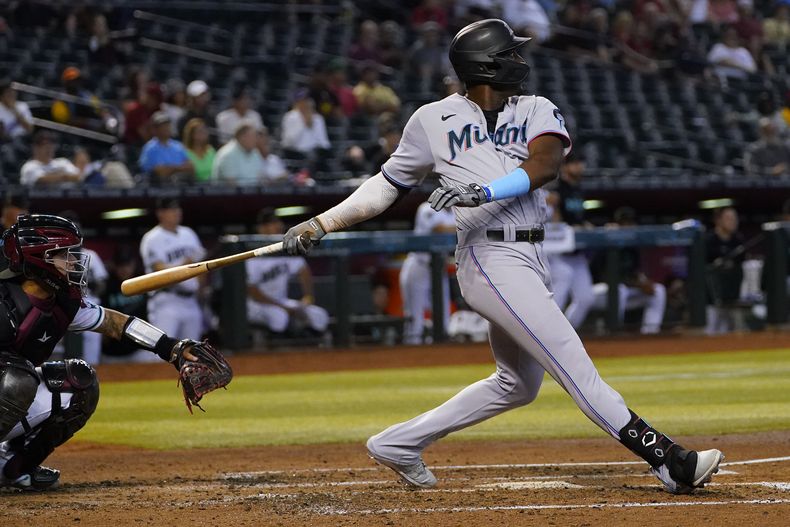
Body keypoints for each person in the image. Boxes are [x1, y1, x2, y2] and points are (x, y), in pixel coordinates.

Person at [282, 19, 723, 494]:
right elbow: (386, 187)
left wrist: (484, 190)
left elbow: (545, 165)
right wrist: (322, 222)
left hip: (531, 252)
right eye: (510, 54)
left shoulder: (536, 107)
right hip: (488, 256)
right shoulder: (431, 119)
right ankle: (669, 460)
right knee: (574, 366)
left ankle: (398, 443)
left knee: (517, 384)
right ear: (486, 65)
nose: (519, 60)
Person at [0, 213, 206, 490]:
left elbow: (115, 323)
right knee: (16, 379)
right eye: (65, 255)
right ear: (39, 259)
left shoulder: (62, 302)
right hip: (9, 384)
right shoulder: (4, 301)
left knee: (79, 382)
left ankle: (12, 468)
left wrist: (172, 348)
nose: (74, 262)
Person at [246, 209, 329, 337]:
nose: (277, 226)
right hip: (254, 304)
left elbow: (303, 270)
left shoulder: (284, 248)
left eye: (277, 222)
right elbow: (252, 291)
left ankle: (310, 349)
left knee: (319, 315)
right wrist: (283, 308)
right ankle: (271, 349)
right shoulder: (252, 252)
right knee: (279, 317)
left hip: (280, 301)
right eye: (271, 223)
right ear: (261, 229)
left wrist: (308, 297)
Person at [139, 198, 206, 355]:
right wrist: (187, 262)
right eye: (171, 209)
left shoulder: (188, 233)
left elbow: (202, 267)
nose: (177, 212)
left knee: (193, 353)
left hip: (191, 301)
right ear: (160, 213)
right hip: (167, 301)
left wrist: (201, 289)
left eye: (178, 208)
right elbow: (160, 270)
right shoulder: (152, 238)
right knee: (164, 352)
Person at [590, 207, 667, 334]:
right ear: (617, 224)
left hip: (623, 292)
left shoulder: (632, 247)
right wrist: (637, 284)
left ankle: (650, 333)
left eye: (630, 223)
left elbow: (634, 273)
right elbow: (605, 277)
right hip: (597, 292)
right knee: (619, 290)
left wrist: (644, 282)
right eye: (624, 223)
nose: (627, 226)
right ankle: (613, 332)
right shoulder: (605, 242)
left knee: (658, 290)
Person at [546, 152, 596, 330]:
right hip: (558, 251)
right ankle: (550, 331)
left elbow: (579, 218)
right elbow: (553, 222)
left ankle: (566, 334)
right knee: (560, 284)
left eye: (580, 163)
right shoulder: (556, 190)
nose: (579, 167)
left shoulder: (579, 190)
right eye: (574, 164)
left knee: (586, 298)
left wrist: (586, 226)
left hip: (576, 253)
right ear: (565, 167)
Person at [400, 202, 455, 345]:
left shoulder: (456, 211)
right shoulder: (427, 208)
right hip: (419, 265)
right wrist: (466, 228)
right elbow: (439, 229)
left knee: (444, 315)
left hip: (438, 267)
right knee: (414, 316)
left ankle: (439, 353)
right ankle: (412, 352)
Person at [705, 206, 746, 334]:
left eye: (735, 218)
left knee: (736, 333)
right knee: (711, 333)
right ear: (718, 220)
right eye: (729, 218)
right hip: (711, 300)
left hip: (733, 297)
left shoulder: (738, 240)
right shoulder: (708, 240)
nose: (733, 221)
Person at [139, 111, 194, 185]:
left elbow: (190, 168)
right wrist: (179, 168)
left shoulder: (178, 146)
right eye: (162, 126)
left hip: (181, 184)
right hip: (159, 187)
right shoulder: (149, 148)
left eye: (167, 125)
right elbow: (158, 172)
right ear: (154, 129)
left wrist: (170, 169)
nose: (166, 128)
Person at [280, 89, 331, 167]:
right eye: (303, 100)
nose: (307, 103)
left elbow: (324, 143)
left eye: (308, 100)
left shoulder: (318, 118)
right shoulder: (290, 117)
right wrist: (304, 123)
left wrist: (311, 123)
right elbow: (288, 142)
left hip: (315, 155)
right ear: (297, 102)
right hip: (295, 154)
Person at [182, 118, 216, 183]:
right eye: (200, 131)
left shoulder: (211, 150)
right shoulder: (185, 153)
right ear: (192, 135)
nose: (205, 133)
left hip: (213, 187)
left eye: (205, 130)